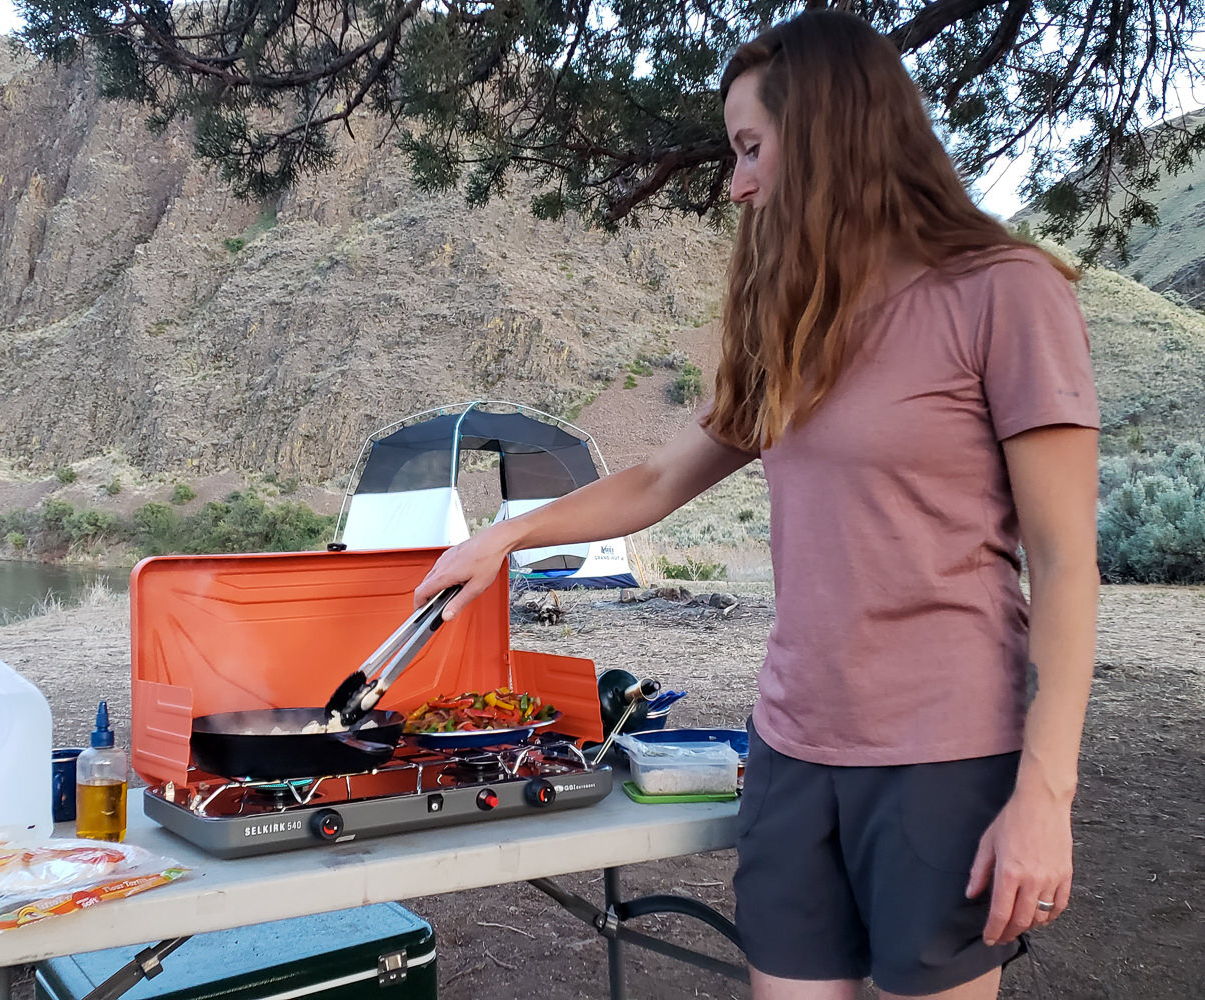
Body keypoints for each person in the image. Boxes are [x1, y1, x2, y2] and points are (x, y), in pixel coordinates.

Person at [413, 10, 1099, 999]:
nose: (735, 182)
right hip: (791, 750)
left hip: (943, 756)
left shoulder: (1004, 293)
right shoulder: (799, 322)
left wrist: (1044, 794)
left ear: (828, 130)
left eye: (750, 147)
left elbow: (1068, 565)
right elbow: (654, 481)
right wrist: (508, 536)